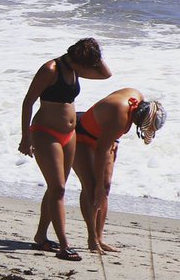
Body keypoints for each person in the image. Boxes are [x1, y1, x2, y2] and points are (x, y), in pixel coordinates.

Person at [19, 37, 111, 261]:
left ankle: (41, 237)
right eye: (88, 63)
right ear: (78, 60)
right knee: (58, 188)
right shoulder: (50, 69)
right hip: (45, 132)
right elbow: (28, 101)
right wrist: (25, 137)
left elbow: (105, 73)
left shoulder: (75, 69)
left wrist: (96, 55)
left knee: (56, 188)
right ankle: (64, 246)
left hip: (69, 135)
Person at [66, 89, 166, 254]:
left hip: (102, 134)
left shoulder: (137, 98)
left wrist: (114, 141)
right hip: (80, 132)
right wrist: (98, 185)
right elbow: (100, 151)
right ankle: (92, 239)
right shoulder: (120, 117)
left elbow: (109, 135)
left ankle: (99, 237)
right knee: (91, 186)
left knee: (105, 188)